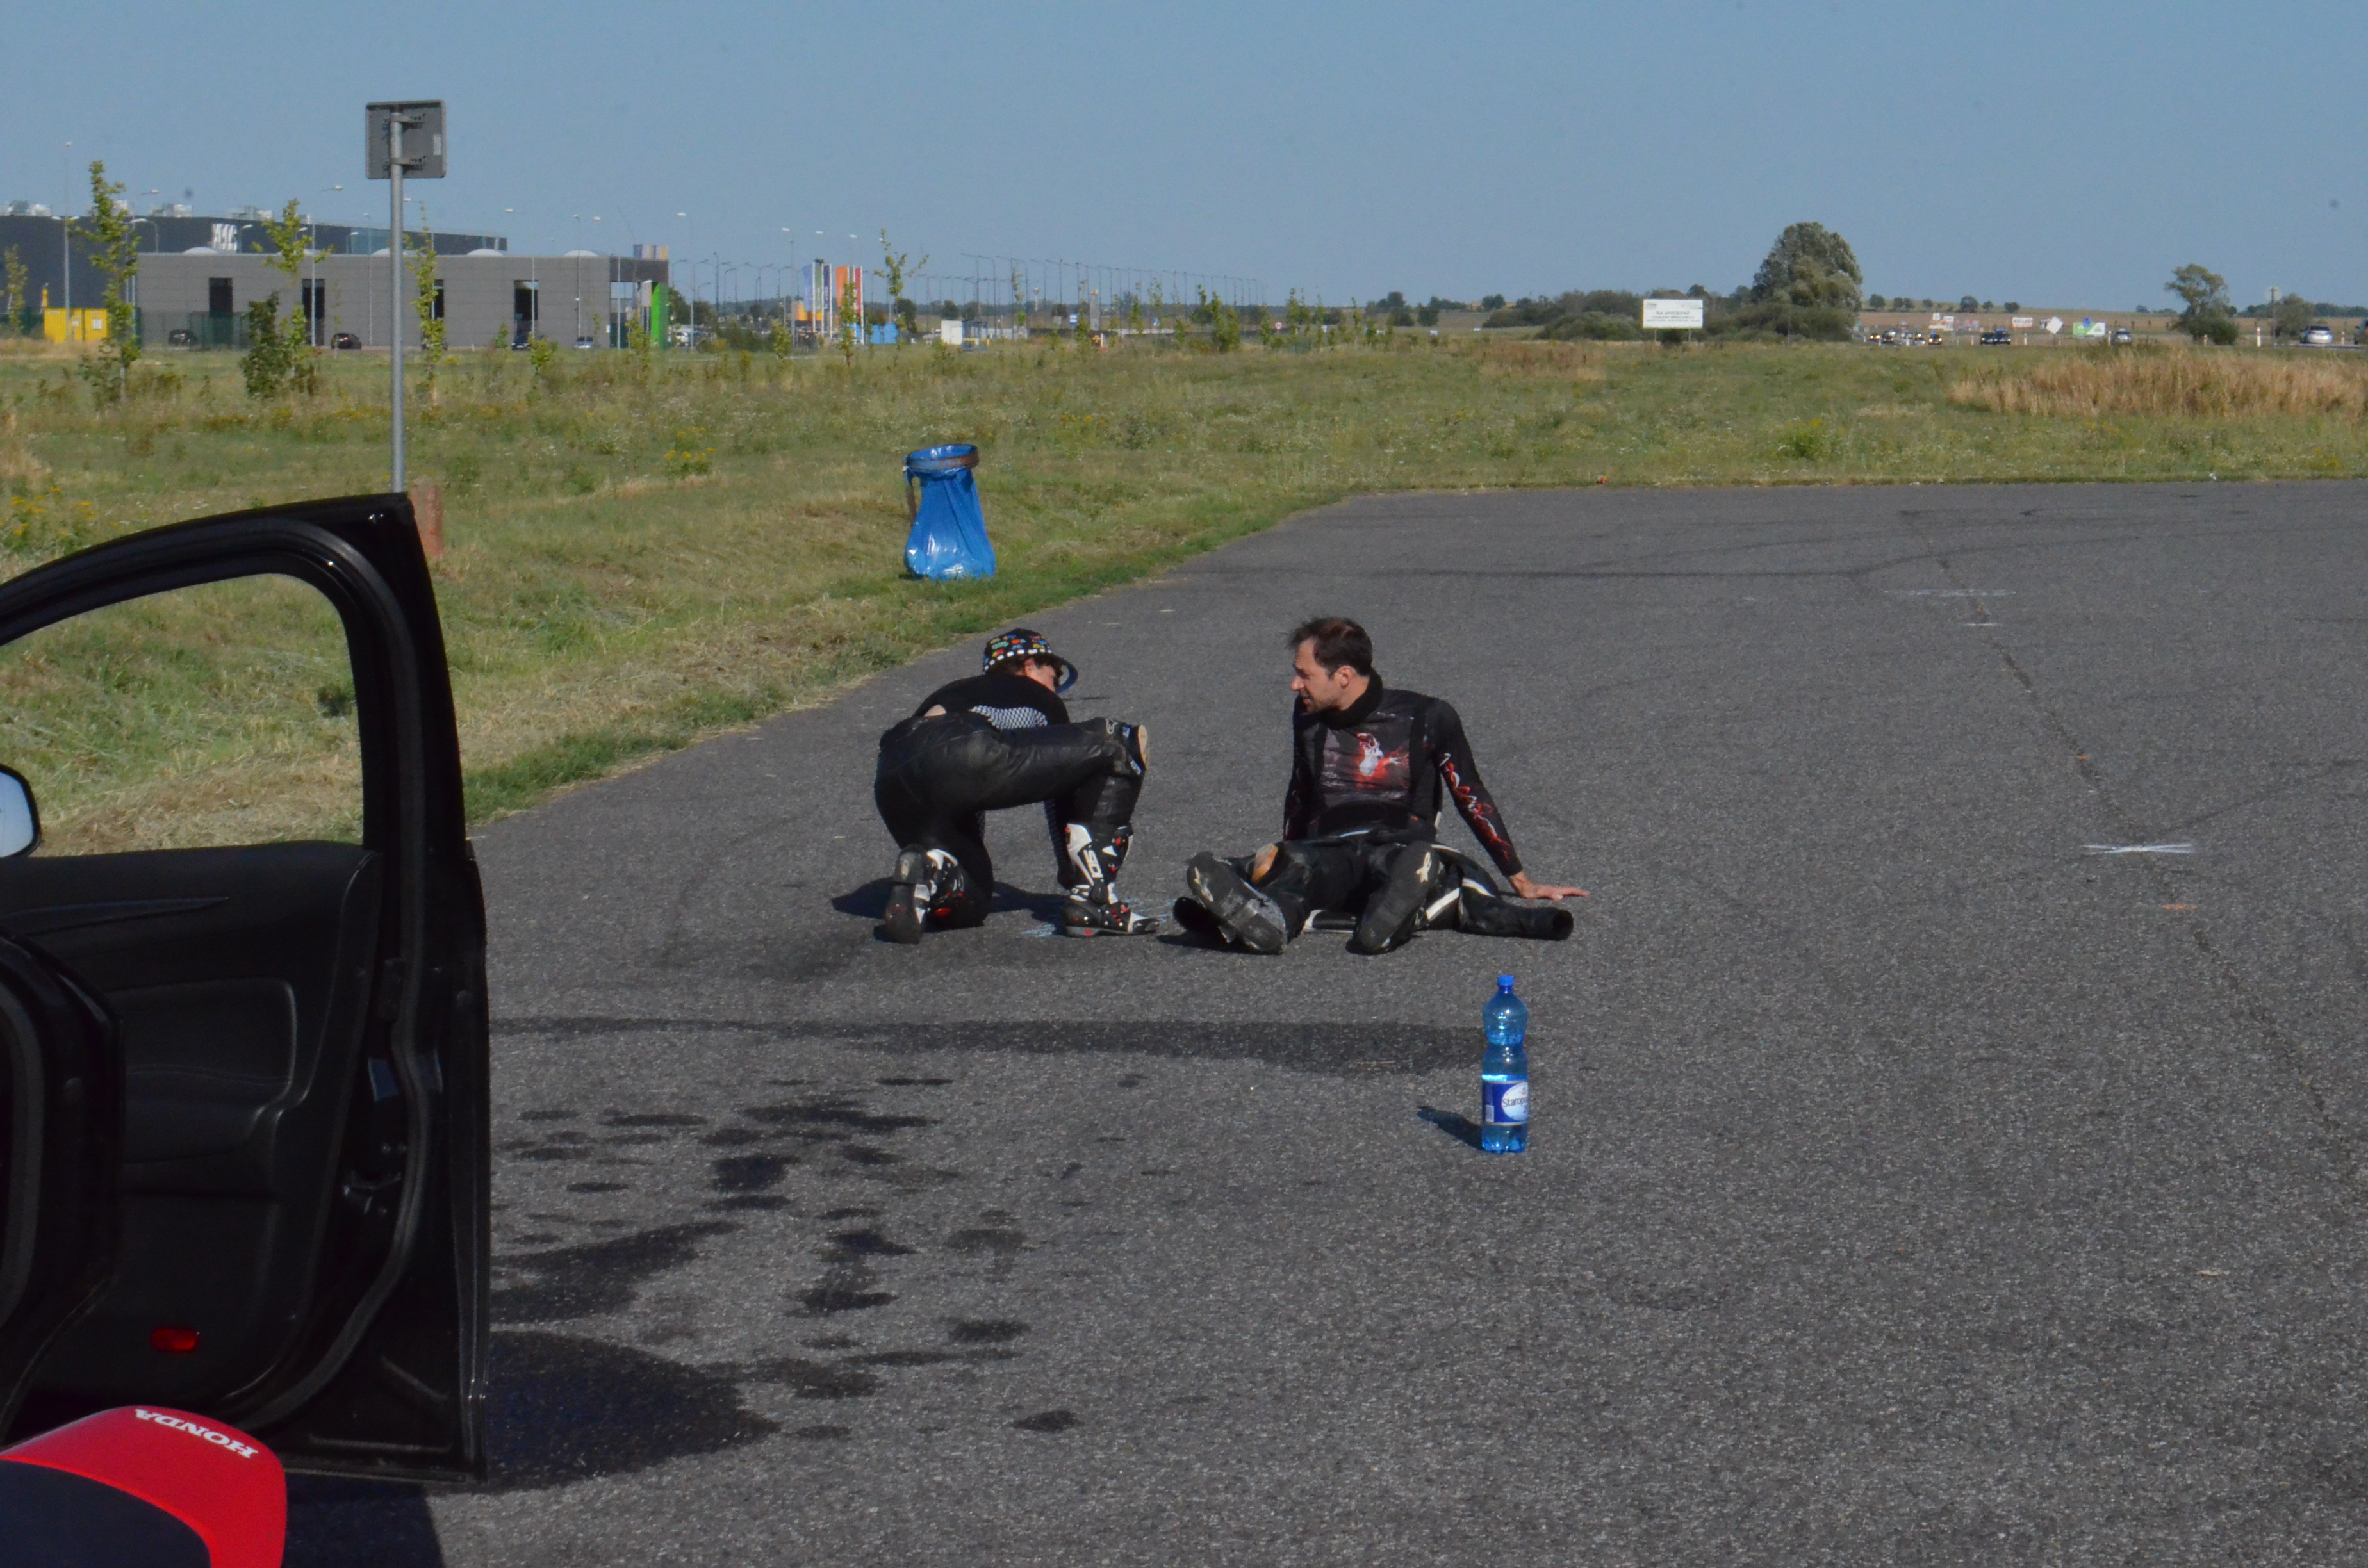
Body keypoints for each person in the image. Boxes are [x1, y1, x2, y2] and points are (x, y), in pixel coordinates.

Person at [1176, 616, 1586, 955]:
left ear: (1343, 676)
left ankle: (1388, 918)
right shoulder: (1308, 716)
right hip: (1332, 850)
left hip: (1399, 847)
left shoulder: (1427, 716)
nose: (1295, 685)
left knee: (1402, 864)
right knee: (1301, 869)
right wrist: (1288, 855)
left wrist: (1521, 881)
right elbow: (1300, 791)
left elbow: (1471, 795)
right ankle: (1269, 923)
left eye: (1304, 675)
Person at [874, 628, 1156, 942]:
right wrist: (1072, 872)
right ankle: (1096, 899)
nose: (1056, 688)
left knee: (971, 900)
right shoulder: (1035, 694)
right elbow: (1064, 790)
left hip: (892, 771)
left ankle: (932, 868)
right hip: (963, 747)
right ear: (1031, 665)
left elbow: (948, 771)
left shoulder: (955, 691)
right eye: (1054, 676)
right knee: (1119, 745)